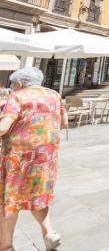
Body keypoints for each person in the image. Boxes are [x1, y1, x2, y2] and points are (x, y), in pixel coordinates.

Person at [0, 67, 65, 251]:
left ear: (19, 83)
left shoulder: (18, 96)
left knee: (9, 201)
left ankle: (6, 246)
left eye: (13, 84)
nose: (12, 88)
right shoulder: (54, 94)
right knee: (38, 196)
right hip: (46, 158)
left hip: (17, 159)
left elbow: (3, 126)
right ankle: (49, 233)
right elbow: (63, 121)